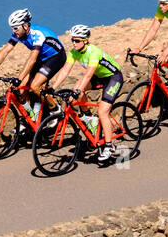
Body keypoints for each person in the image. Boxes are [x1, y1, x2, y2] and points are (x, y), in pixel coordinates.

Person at [50, 25, 125, 162]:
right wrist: (52, 87)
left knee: (102, 111)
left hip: (113, 78)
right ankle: (89, 118)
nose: (74, 43)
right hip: (99, 77)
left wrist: (79, 90)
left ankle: (109, 146)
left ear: (85, 41)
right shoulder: (74, 52)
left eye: (77, 41)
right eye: (72, 40)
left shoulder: (94, 52)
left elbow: (88, 75)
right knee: (77, 87)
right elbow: (65, 71)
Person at [0, 9, 67, 112]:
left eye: (15, 28)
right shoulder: (19, 33)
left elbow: (32, 59)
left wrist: (19, 78)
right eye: (12, 28)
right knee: (21, 89)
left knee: (35, 86)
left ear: (25, 26)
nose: (13, 31)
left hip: (56, 57)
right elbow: (5, 51)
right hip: (42, 57)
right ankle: (30, 117)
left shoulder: (37, 35)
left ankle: (55, 110)